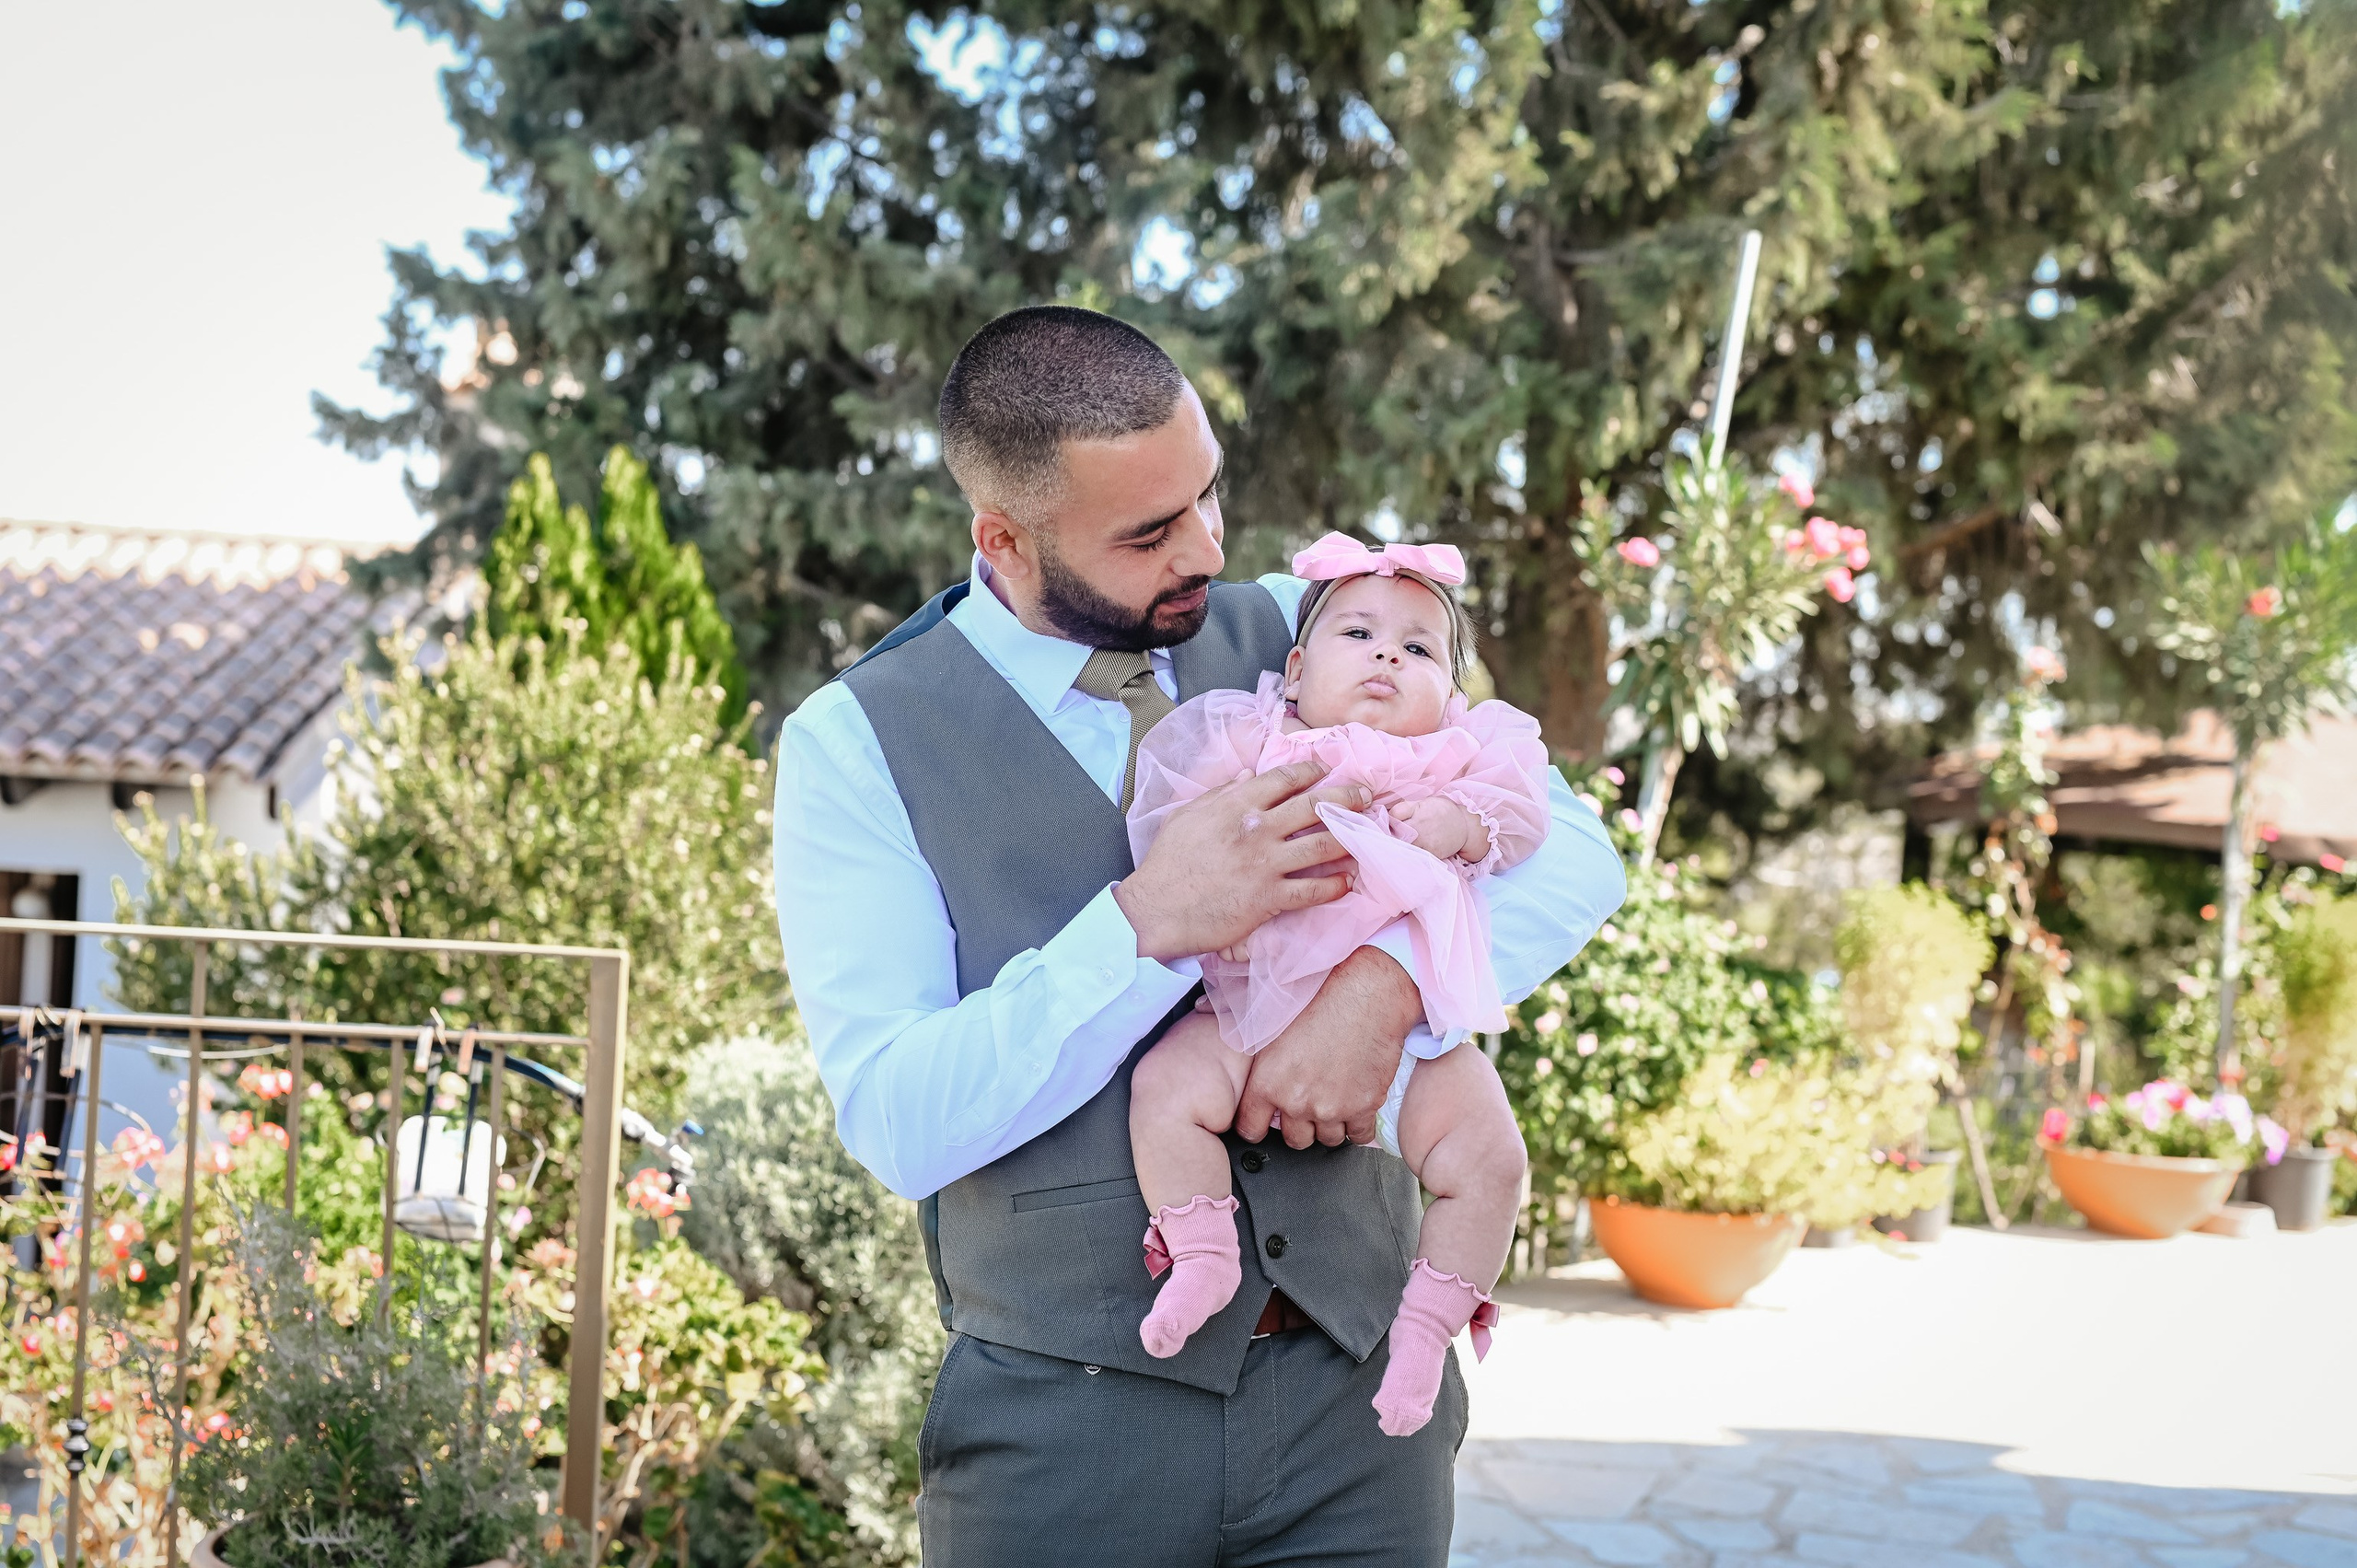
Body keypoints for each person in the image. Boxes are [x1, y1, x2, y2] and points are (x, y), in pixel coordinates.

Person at [772, 305, 1625, 1567]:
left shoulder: (1308, 626)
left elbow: (1572, 847)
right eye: (1148, 532)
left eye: (1208, 494)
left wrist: (1383, 988)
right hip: (1069, 1440)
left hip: (1359, 1420)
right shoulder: (856, 742)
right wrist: (1148, 925)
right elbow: (900, 1118)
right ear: (1001, 536)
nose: (1208, 548)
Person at [1122, 534, 1544, 1442]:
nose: (1387, 655)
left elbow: (1523, 818)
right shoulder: (1254, 737)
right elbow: (1176, 828)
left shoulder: (1457, 755)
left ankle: (1424, 1333)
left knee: (1493, 1160)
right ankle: (1202, 1255)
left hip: (1411, 1035)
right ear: (1297, 669)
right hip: (1246, 1006)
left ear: (1450, 693)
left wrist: (1461, 822)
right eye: (1358, 633)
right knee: (1164, 1089)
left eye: (1418, 647)